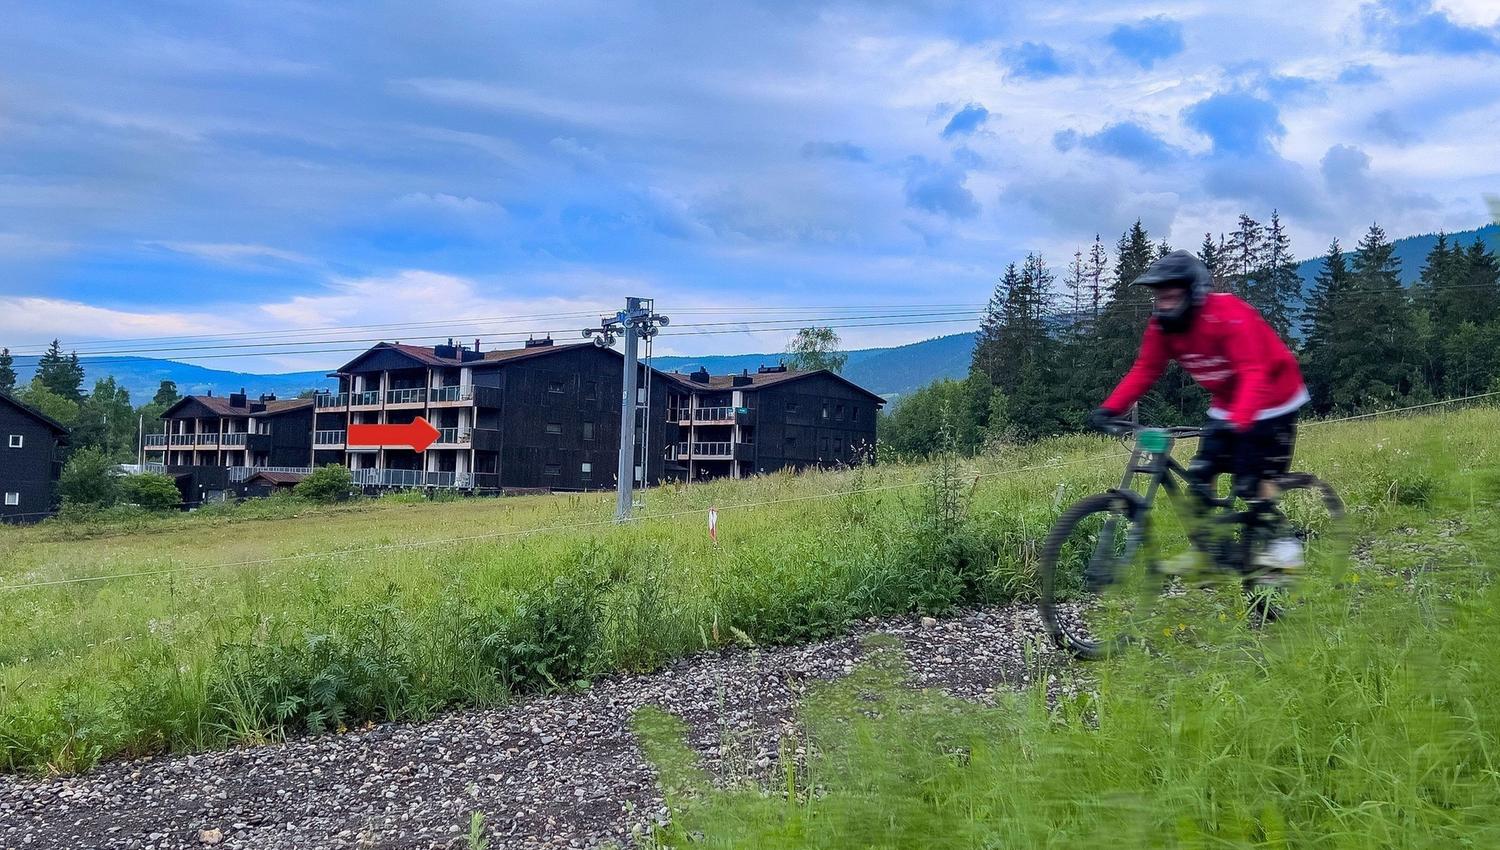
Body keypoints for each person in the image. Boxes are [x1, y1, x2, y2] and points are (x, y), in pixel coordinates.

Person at [1087, 250, 1309, 571]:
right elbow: (1145, 369)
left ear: (1193, 293)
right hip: (1228, 401)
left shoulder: (1229, 315)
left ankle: (1283, 541)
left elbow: (1253, 373)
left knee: (1250, 479)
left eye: (1171, 297)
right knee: (1201, 473)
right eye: (1159, 297)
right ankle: (1209, 549)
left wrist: (1241, 422)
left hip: (1275, 396)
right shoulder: (1162, 328)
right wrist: (1110, 409)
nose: (1163, 304)